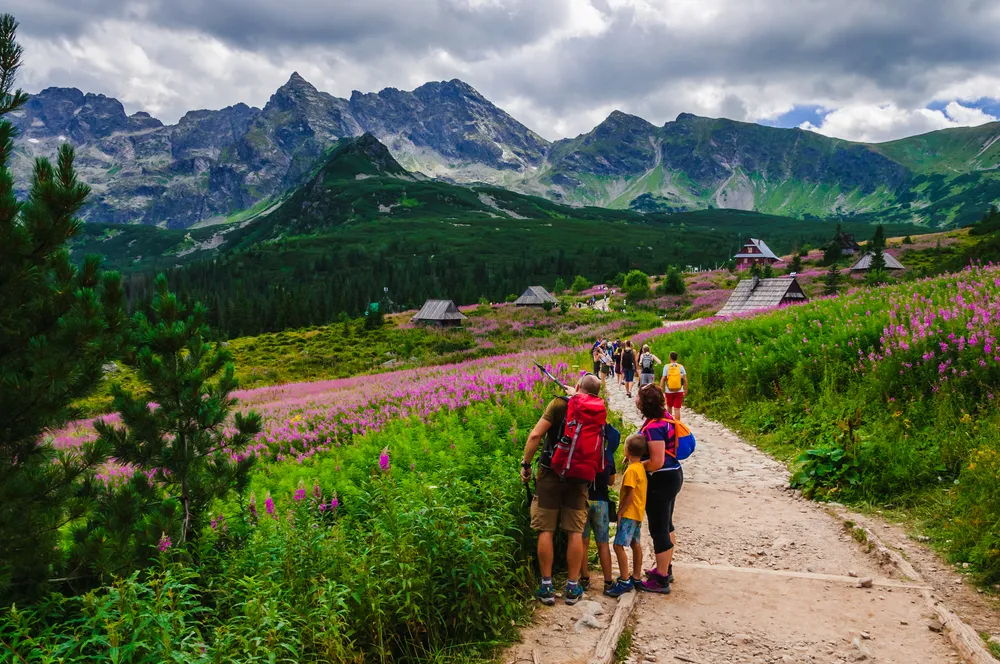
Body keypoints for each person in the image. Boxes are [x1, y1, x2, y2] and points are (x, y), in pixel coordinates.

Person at [520, 374, 604, 606]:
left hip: (550, 474)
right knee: (574, 531)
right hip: (580, 479)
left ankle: (546, 586)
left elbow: (536, 434)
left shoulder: (558, 404)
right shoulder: (598, 412)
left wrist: (526, 465)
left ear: (577, 387)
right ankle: (572, 587)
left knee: (545, 528)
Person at [635, 384, 683, 594]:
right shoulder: (665, 417)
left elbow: (656, 461)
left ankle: (661, 579)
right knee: (667, 524)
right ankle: (666, 567)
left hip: (661, 479)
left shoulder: (654, 427)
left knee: (658, 529)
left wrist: (635, 466)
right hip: (673, 475)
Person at [605, 434, 648, 597]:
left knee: (618, 545)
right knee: (635, 543)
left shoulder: (631, 471)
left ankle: (624, 581)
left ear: (627, 450)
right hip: (638, 512)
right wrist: (627, 460)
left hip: (629, 513)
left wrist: (620, 512)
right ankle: (636, 576)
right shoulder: (640, 467)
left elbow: (630, 494)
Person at [580, 430, 618, 595]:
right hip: (601, 502)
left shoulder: (581, 452)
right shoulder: (607, 454)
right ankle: (608, 582)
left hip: (582, 500)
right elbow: (611, 481)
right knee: (603, 544)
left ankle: (584, 579)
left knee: (582, 543)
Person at [660, 352, 688, 421]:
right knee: (677, 409)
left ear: (670, 358)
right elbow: (685, 379)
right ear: (677, 358)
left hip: (669, 391)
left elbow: (663, 379)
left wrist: (661, 389)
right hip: (679, 390)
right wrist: (686, 389)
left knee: (669, 407)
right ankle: (678, 426)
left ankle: (670, 424)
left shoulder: (667, 366)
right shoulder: (680, 367)